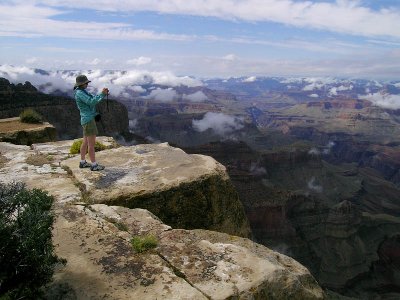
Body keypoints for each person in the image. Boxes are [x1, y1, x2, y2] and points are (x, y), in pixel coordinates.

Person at [74, 75, 109, 171]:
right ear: (82, 84)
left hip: (86, 119)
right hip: (88, 121)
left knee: (85, 142)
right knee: (91, 144)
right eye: (86, 83)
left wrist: (101, 94)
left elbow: (91, 100)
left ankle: (82, 162)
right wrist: (102, 94)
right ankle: (94, 165)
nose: (87, 84)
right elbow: (91, 102)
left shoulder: (81, 91)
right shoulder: (80, 93)